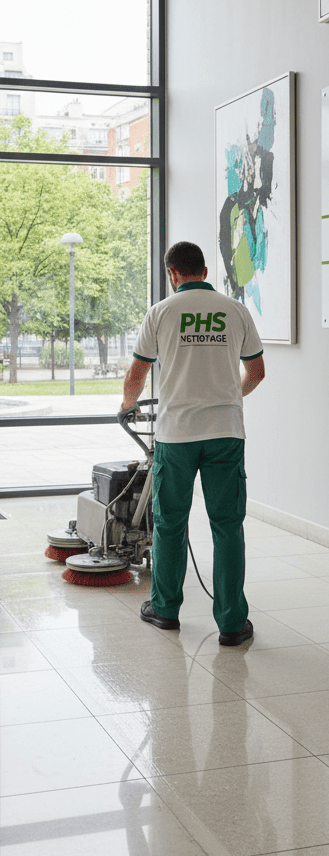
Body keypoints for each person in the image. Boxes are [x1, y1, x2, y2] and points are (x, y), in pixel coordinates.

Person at [120, 241, 265, 647]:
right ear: (203, 269)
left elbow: (136, 375)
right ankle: (233, 623)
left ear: (173, 274)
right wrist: (228, 398)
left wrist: (126, 406)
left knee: (169, 523)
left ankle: (165, 611)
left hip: (176, 434)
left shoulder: (161, 312)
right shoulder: (235, 310)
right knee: (227, 526)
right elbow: (256, 371)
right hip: (225, 433)